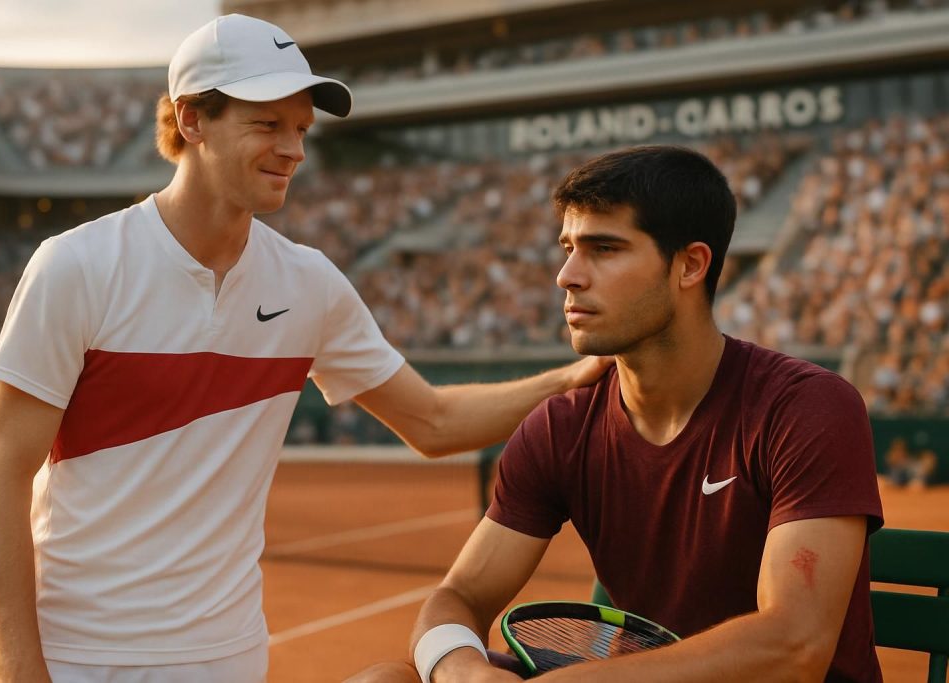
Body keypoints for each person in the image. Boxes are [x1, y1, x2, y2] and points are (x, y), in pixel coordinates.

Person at [0, 15, 610, 683]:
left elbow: (434, 421)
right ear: (192, 120)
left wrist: (573, 377)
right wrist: (18, 668)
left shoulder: (310, 283)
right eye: (267, 124)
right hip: (78, 657)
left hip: (229, 658)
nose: (294, 149)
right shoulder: (75, 265)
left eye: (300, 128)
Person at [352, 146, 884, 683]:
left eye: (604, 248)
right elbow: (460, 595)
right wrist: (461, 668)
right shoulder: (562, 426)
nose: (567, 276)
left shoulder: (806, 407)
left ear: (691, 265)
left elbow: (793, 646)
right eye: (567, 247)